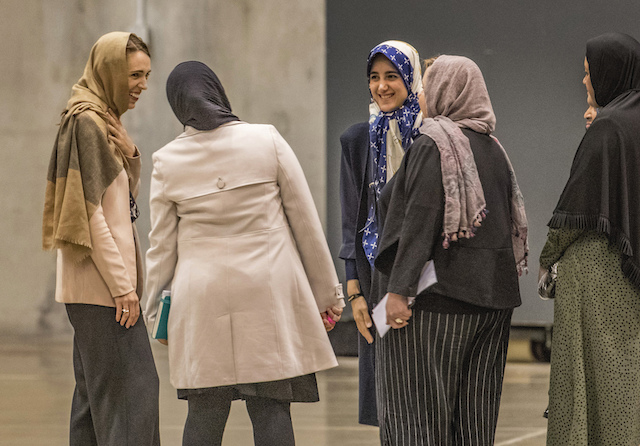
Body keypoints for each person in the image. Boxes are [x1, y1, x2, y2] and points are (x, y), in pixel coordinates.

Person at [144, 61, 344, 446]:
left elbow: (161, 248)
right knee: (270, 407)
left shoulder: (167, 161)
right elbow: (305, 223)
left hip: (201, 299)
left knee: (205, 411)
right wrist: (327, 297)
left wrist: (157, 315)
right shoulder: (265, 139)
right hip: (267, 292)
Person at [373, 55, 527, 445]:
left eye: (428, 84)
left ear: (446, 90)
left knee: (417, 418)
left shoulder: (434, 143)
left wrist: (399, 289)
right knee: (474, 424)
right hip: (494, 303)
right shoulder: (492, 147)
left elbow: (419, 218)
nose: (422, 94)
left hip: (437, 303)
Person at [42, 32, 159, 445]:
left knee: (95, 403)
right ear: (110, 71)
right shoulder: (87, 122)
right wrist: (122, 287)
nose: (142, 85)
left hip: (96, 290)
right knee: (134, 397)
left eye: (146, 74)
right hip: (104, 292)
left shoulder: (100, 120)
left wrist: (131, 155)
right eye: (134, 75)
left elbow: (121, 204)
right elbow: (90, 218)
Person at [540, 32, 640, 445]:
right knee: (626, 375)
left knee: (589, 381)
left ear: (609, 72)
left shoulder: (609, 126)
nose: (584, 82)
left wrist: (547, 258)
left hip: (599, 278)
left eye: (588, 73)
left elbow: (576, 210)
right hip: (631, 274)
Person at [338, 40, 422, 426]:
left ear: (411, 77)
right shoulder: (357, 140)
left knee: (424, 393)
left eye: (392, 76)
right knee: (387, 400)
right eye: (374, 77)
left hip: (426, 276)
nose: (382, 86)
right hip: (375, 277)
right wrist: (353, 290)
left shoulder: (430, 136)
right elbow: (351, 222)